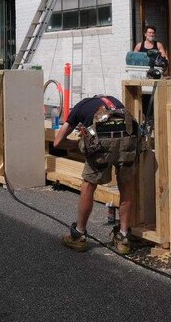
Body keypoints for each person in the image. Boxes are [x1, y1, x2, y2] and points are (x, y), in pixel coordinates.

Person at [53, 94, 139, 254]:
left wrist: (79, 144)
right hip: (129, 138)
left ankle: (78, 235)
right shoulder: (113, 101)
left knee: (88, 185)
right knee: (125, 187)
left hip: (103, 141)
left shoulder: (78, 108)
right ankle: (124, 238)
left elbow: (58, 142)